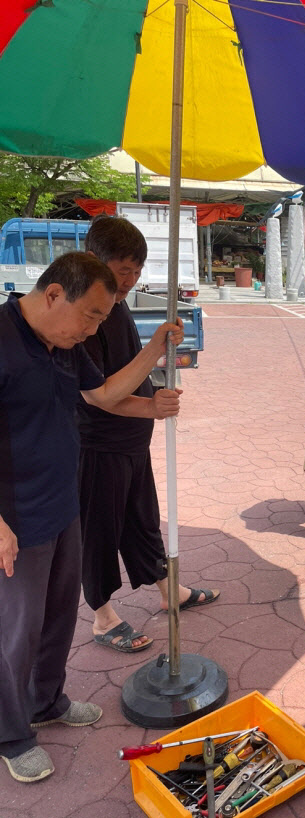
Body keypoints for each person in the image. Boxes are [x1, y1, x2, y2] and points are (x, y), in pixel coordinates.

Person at [0, 252, 184, 783]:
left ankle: (47, 701)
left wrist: (152, 382)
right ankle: (12, 735)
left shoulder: (63, 344)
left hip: (62, 504)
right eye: (93, 316)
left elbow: (101, 394)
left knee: (59, 615)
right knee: (15, 630)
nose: (95, 329)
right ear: (55, 294)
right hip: (15, 520)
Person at [79, 216, 219, 654]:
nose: (131, 280)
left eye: (137, 271)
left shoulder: (116, 305)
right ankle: (102, 618)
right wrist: (151, 395)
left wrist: (152, 395)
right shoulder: (86, 314)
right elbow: (99, 394)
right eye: (124, 271)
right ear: (96, 263)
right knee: (100, 531)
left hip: (131, 442)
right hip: (98, 446)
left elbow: (127, 370)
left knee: (142, 520)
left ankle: (167, 590)